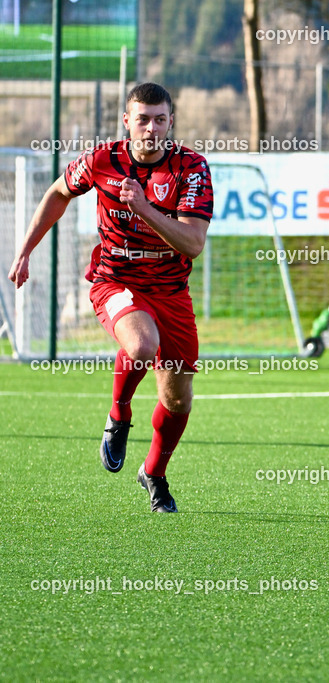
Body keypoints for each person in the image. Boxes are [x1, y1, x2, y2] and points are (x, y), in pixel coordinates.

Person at [7, 82, 214, 512]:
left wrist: (143, 208)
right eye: (142, 119)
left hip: (171, 289)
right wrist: (25, 251)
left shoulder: (191, 168)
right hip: (116, 280)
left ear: (171, 121)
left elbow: (193, 243)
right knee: (141, 345)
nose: (151, 128)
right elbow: (58, 194)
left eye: (160, 119)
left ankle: (154, 472)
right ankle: (119, 414)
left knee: (177, 401)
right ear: (127, 122)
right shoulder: (103, 160)